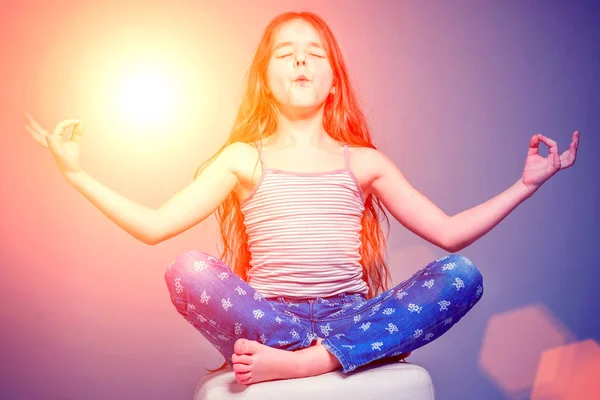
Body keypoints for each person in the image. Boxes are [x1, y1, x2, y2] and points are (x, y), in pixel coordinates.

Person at [24, 10, 579, 387]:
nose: (300, 61)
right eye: (286, 53)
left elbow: (450, 232)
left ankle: (305, 362)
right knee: (186, 268)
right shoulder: (243, 157)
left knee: (461, 273)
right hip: (269, 321)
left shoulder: (364, 161)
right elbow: (153, 225)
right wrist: (76, 175)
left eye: (314, 54)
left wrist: (526, 184)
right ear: (265, 78)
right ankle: (326, 351)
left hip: (351, 315)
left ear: (333, 78)